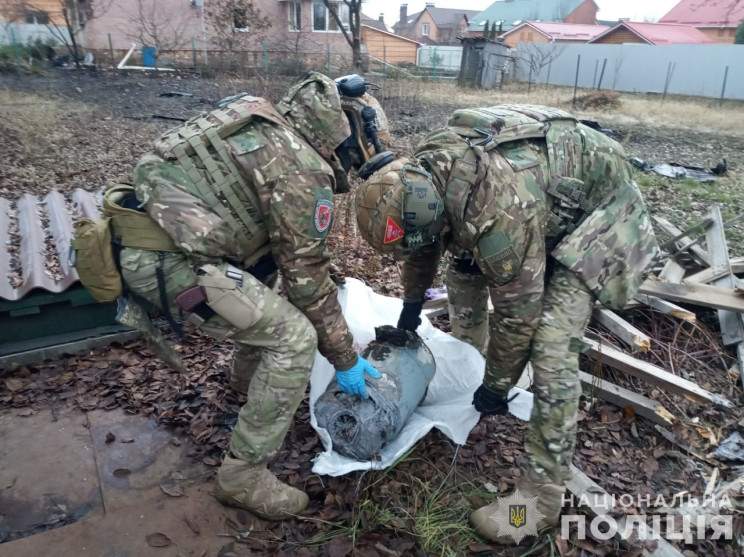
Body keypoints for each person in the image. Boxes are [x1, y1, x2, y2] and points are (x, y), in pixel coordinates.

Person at [87, 72, 390, 520]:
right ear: (346, 136)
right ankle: (242, 476)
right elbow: (305, 279)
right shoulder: (302, 169)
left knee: (265, 289)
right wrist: (345, 358)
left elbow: (281, 252)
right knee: (294, 339)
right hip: (169, 265)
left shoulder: (260, 118)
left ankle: (248, 388)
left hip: (142, 241)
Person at [354, 104, 659, 542]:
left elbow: (519, 315)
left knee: (552, 347)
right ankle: (473, 371)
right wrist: (410, 306)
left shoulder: (496, 216)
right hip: (542, 199)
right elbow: (424, 245)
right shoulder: (421, 177)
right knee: (462, 274)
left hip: (603, 215)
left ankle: (540, 499)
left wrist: (497, 387)